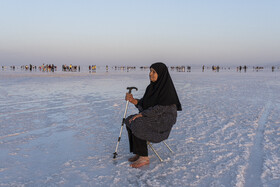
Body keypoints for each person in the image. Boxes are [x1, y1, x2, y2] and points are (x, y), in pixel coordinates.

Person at [125, 62, 182, 168]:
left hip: (162, 123)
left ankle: (144, 157)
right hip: (152, 118)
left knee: (138, 122)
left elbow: (160, 109)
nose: (150, 74)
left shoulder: (167, 91)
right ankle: (138, 152)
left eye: (154, 72)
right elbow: (144, 104)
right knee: (129, 120)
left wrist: (143, 115)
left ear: (161, 74)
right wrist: (133, 100)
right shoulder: (151, 88)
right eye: (150, 71)